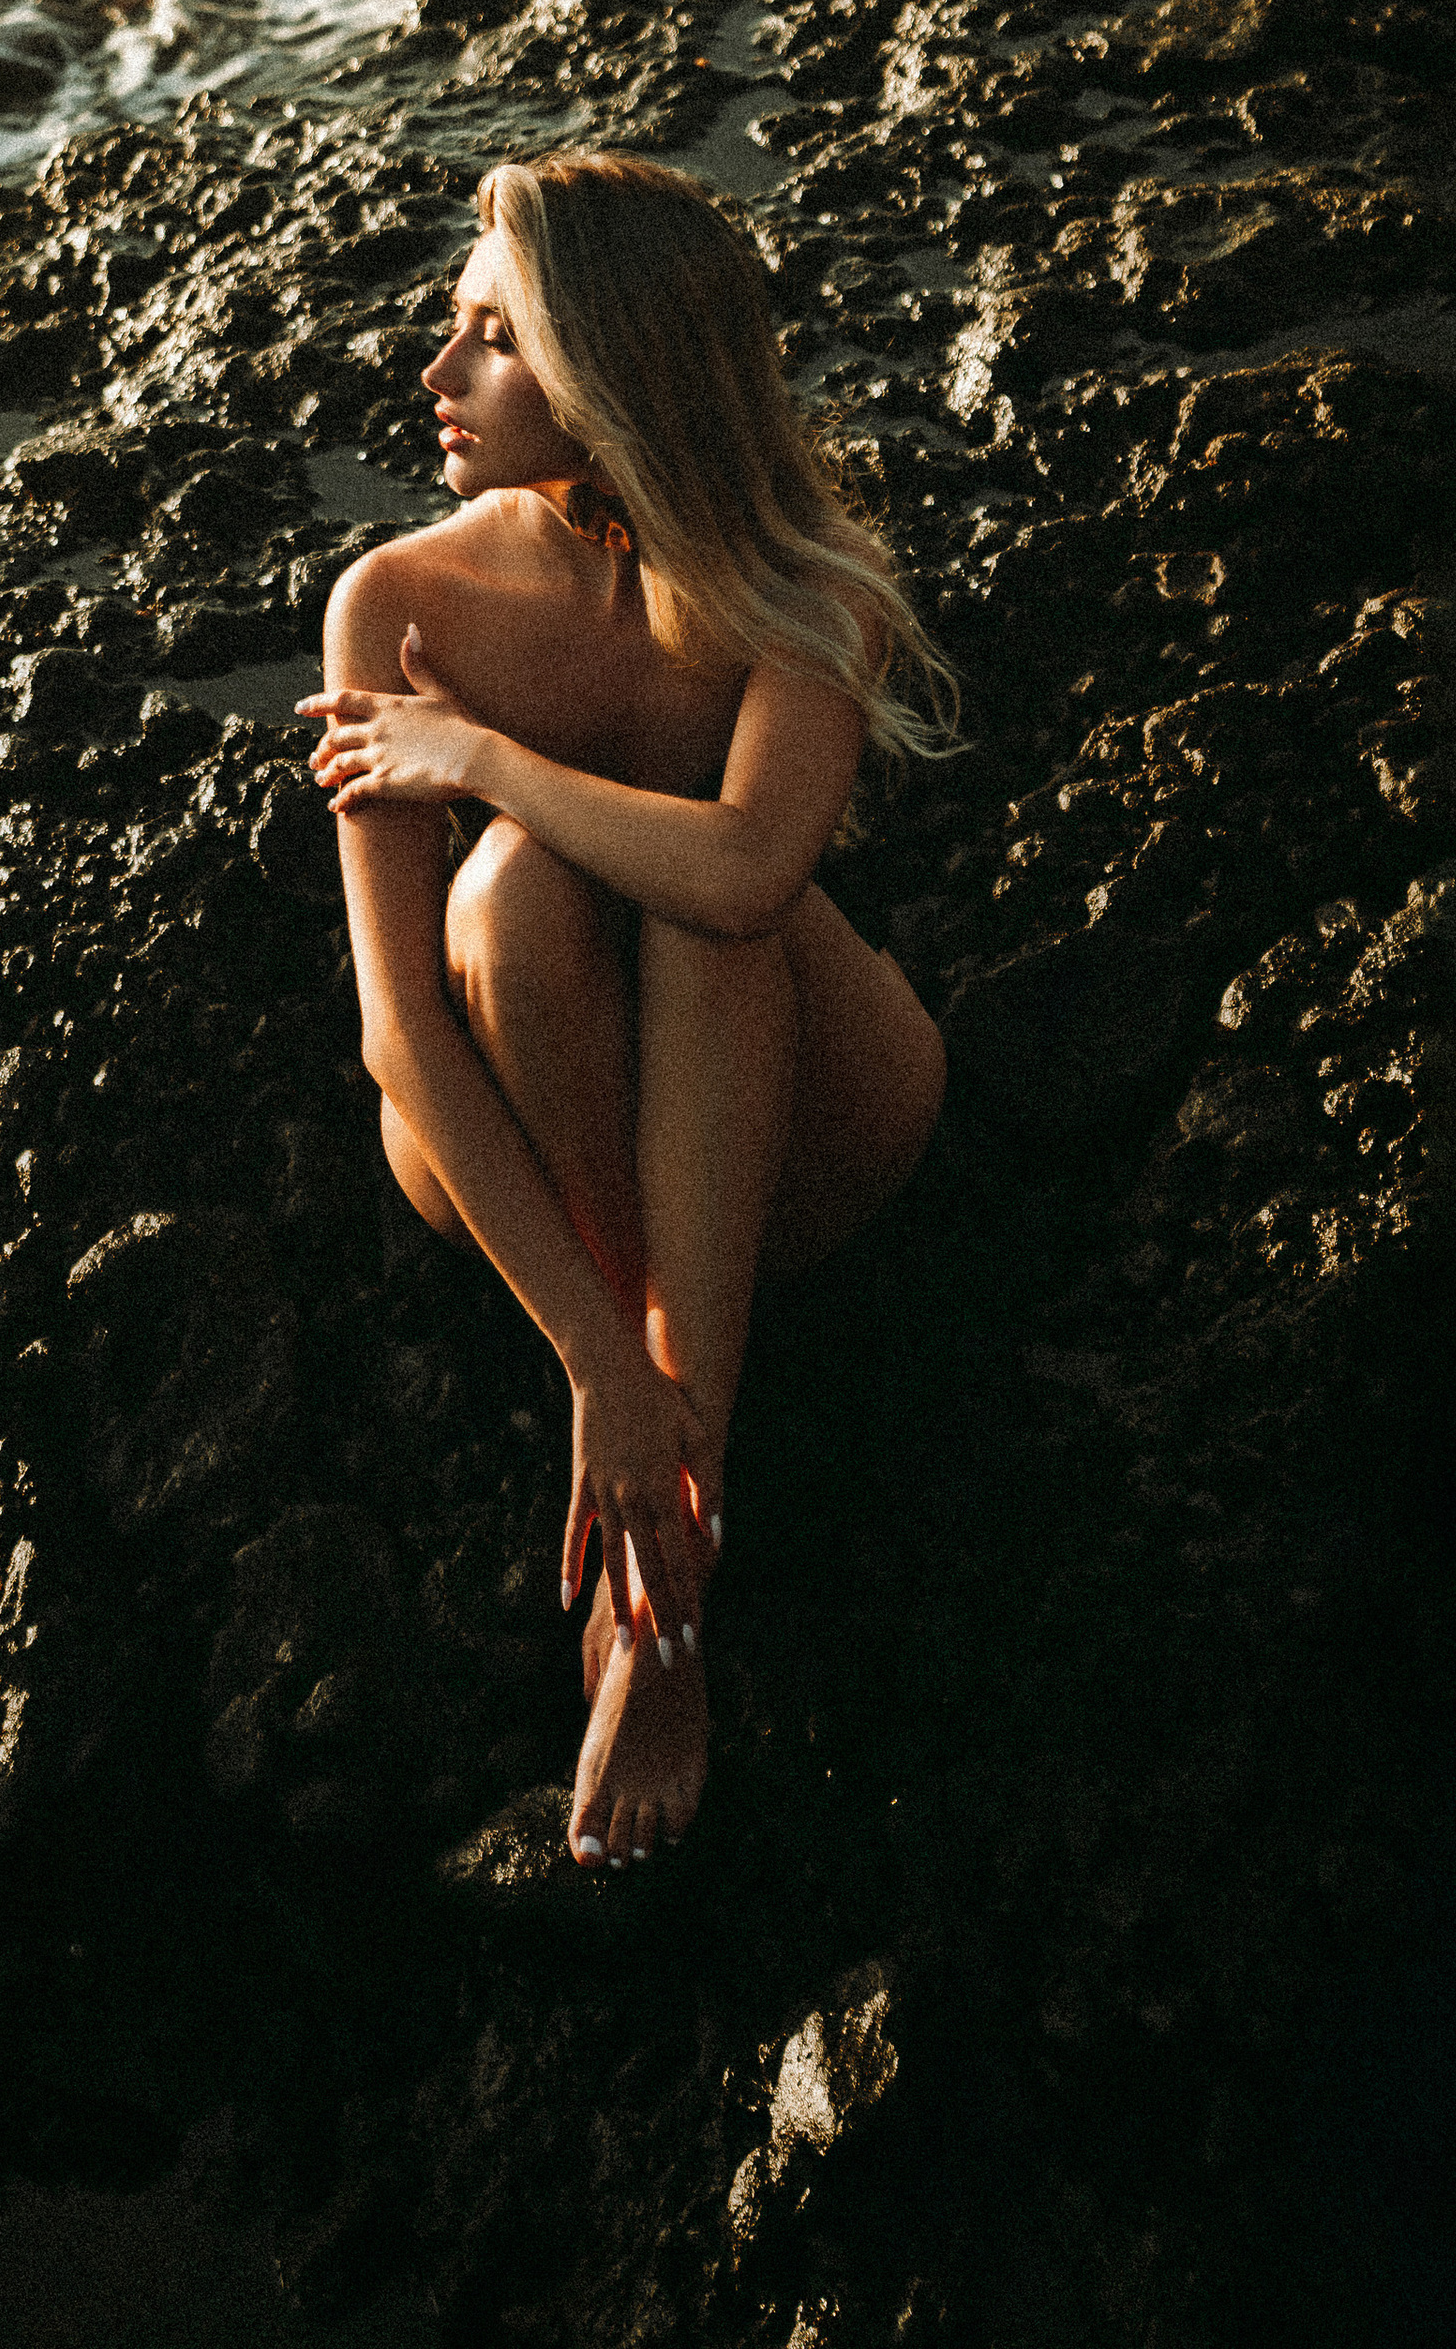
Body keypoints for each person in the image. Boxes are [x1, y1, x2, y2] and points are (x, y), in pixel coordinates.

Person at [297, 149, 956, 1871]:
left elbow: (746, 879)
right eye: (453, 331)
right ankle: (648, 1436)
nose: (435, 378)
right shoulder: (397, 600)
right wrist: (595, 1356)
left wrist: (490, 757)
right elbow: (395, 1028)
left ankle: (671, 1561)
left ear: (615, 373)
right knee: (512, 897)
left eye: (492, 340)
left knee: (696, 908)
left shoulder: (801, 587)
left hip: (802, 1133)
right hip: (528, 1160)